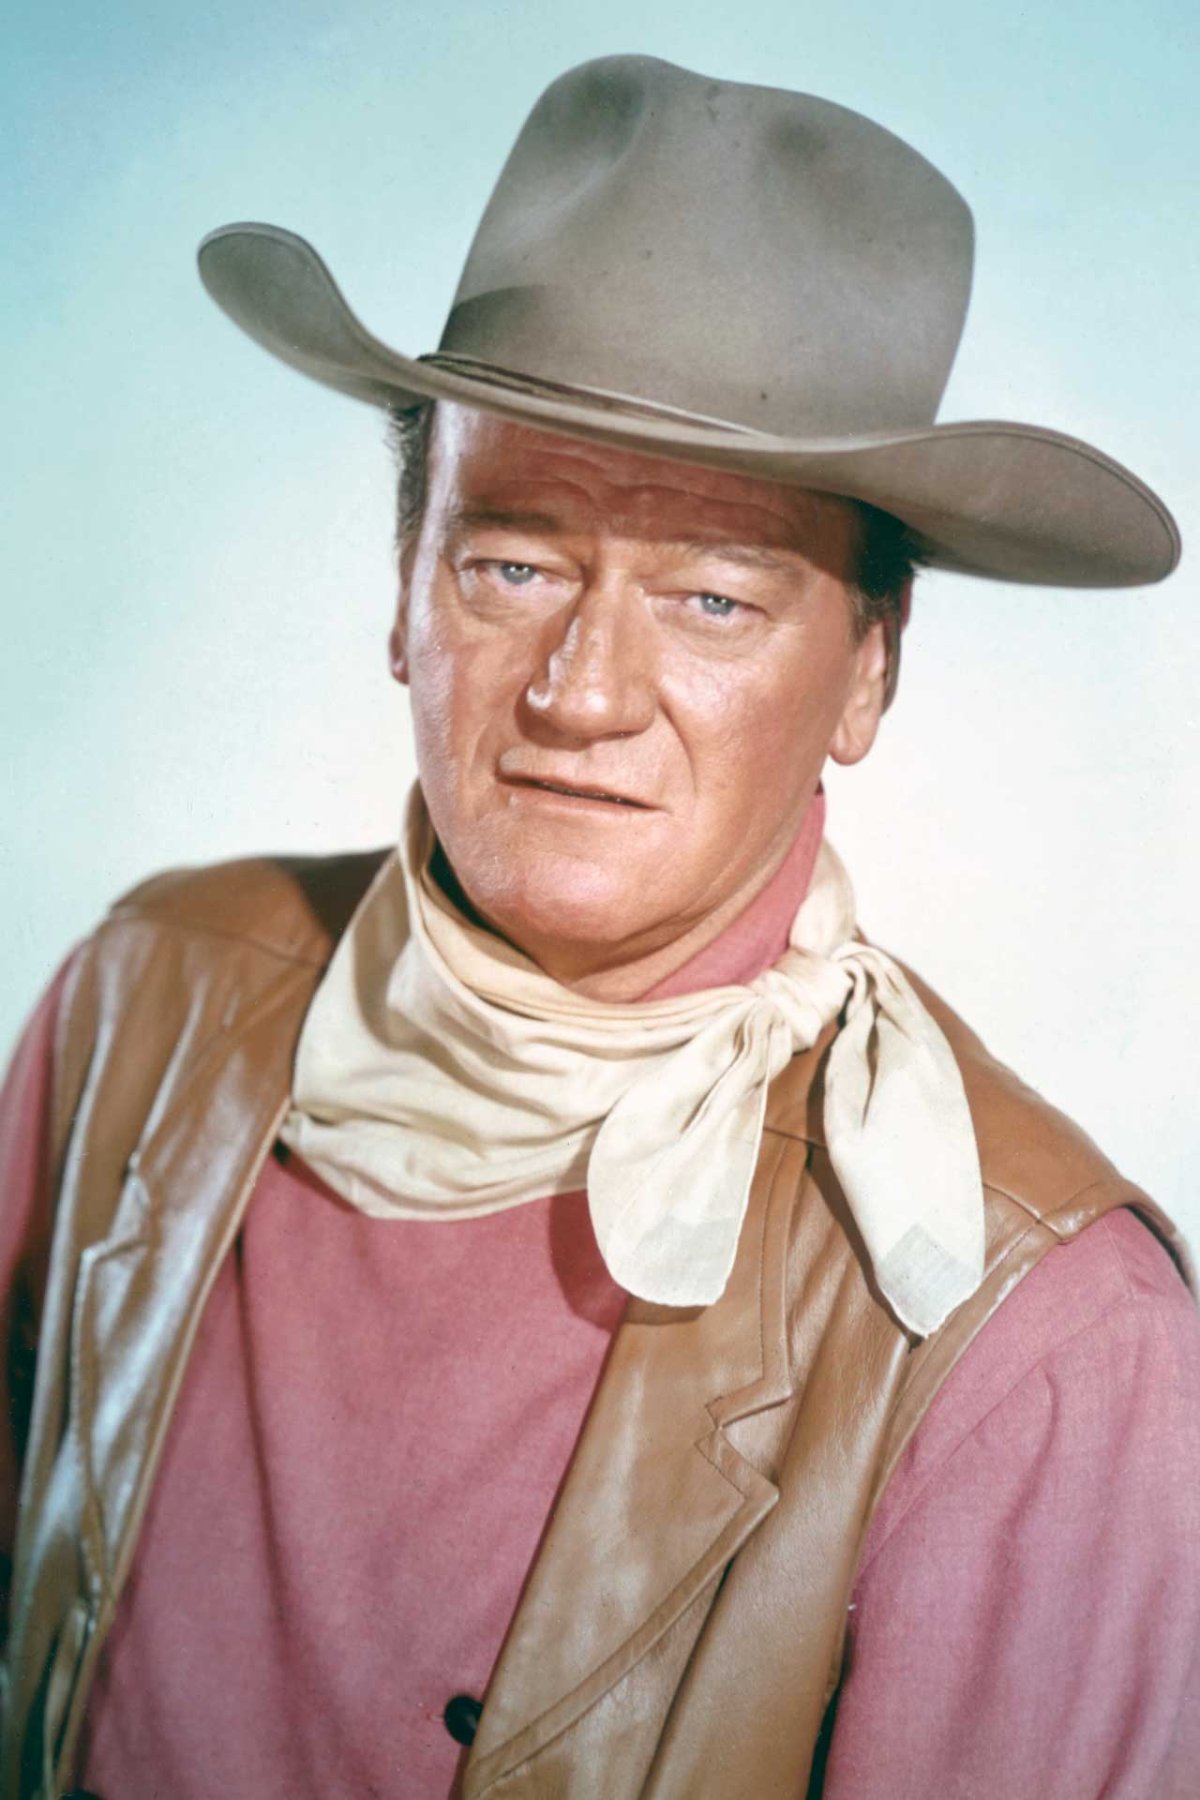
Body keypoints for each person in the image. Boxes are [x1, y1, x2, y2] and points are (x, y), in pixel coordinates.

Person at [2, 51, 1197, 1800]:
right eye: (514, 564)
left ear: (867, 674)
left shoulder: (1042, 1342)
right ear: (403, 591)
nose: (581, 693)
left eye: (712, 597)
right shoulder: (140, 1001)